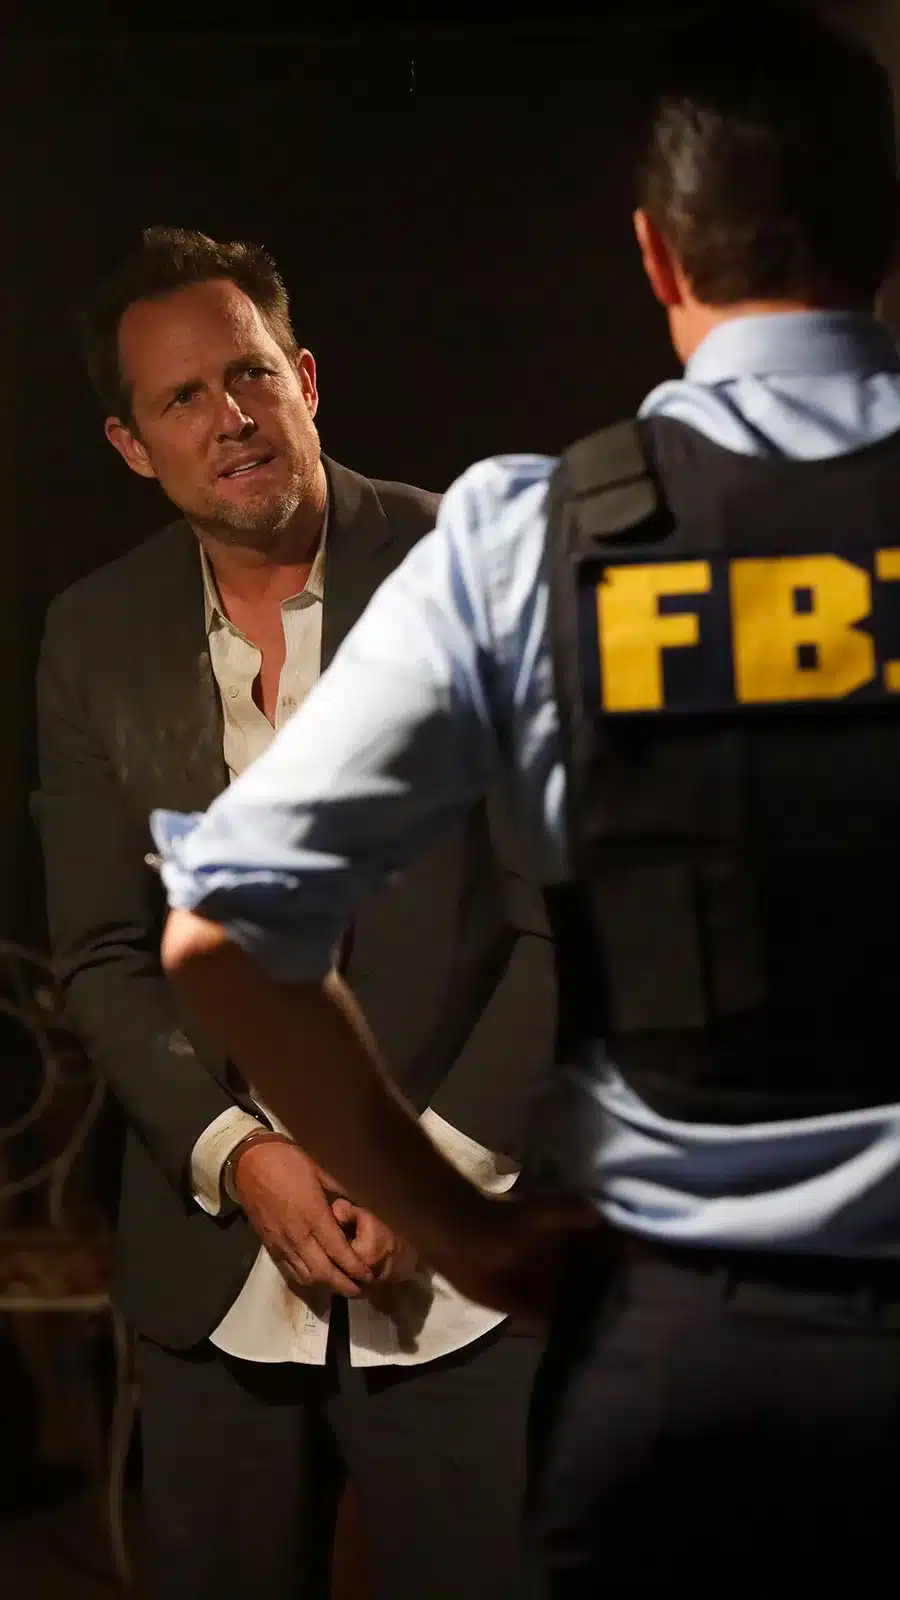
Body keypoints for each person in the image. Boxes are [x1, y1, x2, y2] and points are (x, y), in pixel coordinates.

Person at [155, 12, 900, 1597]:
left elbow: (222, 933)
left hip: (684, 1367)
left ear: (654, 252)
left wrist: (469, 1231)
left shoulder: (528, 541)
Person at [35, 226, 554, 1600]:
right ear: (131, 446)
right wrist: (237, 1155)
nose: (232, 418)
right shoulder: (91, 636)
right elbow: (102, 952)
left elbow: (568, 921)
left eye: (251, 374)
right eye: (183, 399)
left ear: (305, 379)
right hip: (213, 1275)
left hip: (468, 1268)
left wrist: (430, 1168)